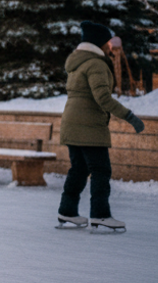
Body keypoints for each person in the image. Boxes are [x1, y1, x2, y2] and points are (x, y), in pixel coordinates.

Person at [56, 22, 146, 233]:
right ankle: (100, 215)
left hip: (71, 123)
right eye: (107, 42)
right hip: (89, 126)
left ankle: (67, 211)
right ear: (99, 43)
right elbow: (103, 98)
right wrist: (130, 116)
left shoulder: (78, 62)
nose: (110, 46)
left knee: (78, 169)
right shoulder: (95, 64)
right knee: (101, 170)